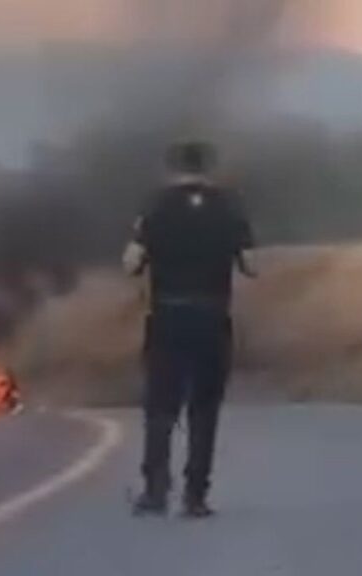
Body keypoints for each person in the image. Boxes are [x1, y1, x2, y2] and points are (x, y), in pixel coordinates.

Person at [123, 141, 255, 518]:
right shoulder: (230, 207)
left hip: (167, 316)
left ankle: (155, 490)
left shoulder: (154, 207)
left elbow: (131, 263)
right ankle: (196, 496)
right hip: (212, 317)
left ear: (172, 168)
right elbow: (251, 264)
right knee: (204, 409)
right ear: (209, 168)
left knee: (161, 408)